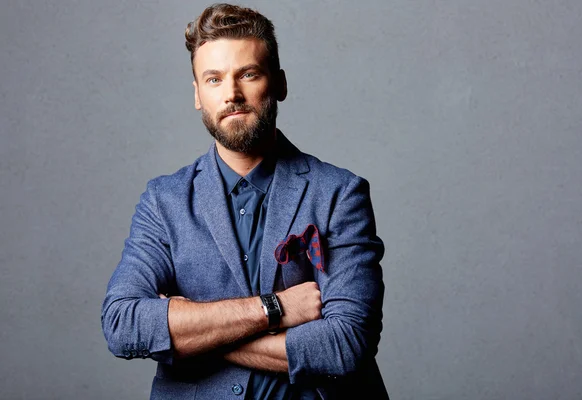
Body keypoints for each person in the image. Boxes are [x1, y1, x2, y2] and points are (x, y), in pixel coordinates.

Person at [101, 3, 387, 399]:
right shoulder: (163, 201)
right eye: (214, 79)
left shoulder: (339, 193)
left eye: (248, 74)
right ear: (198, 95)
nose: (232, 94)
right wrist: (275, 308)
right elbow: (122, 325)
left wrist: (194, 333)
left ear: (280, 84)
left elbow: (346, 344)